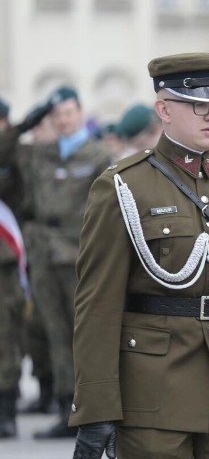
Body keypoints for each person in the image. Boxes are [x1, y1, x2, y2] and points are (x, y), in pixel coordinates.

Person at [69, 53, 209, 459]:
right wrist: (95, 407)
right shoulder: (122, 187)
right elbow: (97, 307)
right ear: (164, 109)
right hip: (154, 394)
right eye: (197, 105)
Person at [15, 86, 114, 439]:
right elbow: (6, 148)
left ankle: (92, 408)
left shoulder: (99, 154)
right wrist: (28, 121)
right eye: (56, 115)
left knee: (83, 334)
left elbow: (111, 208)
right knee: (55, 331)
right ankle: (66, 405)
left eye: (68, 112)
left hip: (78, 252)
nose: (63, 119)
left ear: (79, 112)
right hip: (44, 253)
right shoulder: (40, 153)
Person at [0, 96, 54, 437]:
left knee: (7, 332)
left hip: (6, 256)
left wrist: (19, 133)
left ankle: (5, 408)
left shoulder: (15, 154)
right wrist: (21, 127)